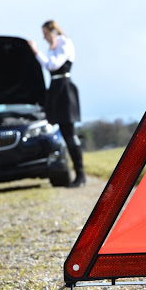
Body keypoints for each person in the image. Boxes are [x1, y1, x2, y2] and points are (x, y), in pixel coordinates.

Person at [28, 20, 85, 187]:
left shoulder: (65, 43)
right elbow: (47, 65)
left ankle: (80, 175)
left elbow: (53, 65)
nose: (44, 37)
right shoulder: (52, 47)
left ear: (52, 32)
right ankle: (72, 172)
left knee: (70, 133)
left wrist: (37, 50)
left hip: (65, 90)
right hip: (54, 90)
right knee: (63, 132)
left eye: (45, 34)